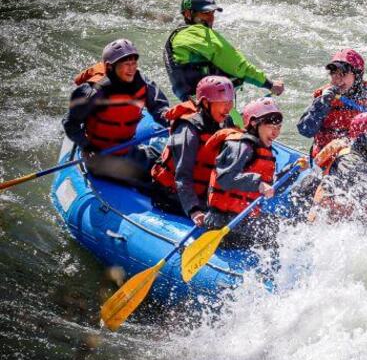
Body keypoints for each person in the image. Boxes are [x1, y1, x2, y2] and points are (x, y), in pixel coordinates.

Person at [63, 39, 169, 186]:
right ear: (110, 67)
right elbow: (70, 123)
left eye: (134, 64)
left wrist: (173, 121)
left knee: (169, 168)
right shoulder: (94, 91)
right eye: (126, 64)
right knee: (153, 182)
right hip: (101, 157)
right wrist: (86, 146)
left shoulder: (142, 83)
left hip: (128, 149)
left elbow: (160, 108)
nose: (131, 69)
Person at [163, 0, 285, 102]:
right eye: (205, 13)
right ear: (188, 14)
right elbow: (237, 66)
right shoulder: (198, 33)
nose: (211, 18)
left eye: (212, 13)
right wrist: (269, 84)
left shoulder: (177, 36)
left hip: (194, 103)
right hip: (213, 104)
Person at [150, 75, 237, 224]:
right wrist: (194, 209)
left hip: (202, 192)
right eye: (223, 102)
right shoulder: (188, 130)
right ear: (205, 102)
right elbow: (182, 176)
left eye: (230, 101)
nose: (228, 108)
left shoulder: (225, 122)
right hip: (171, 194)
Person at [204, 97, 286, 247]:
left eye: (278, 127)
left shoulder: (262, 149)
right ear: (254, 123)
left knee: (285, 226)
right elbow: (225, 178)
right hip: (222, 223)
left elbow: (270, 185)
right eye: (271, 126)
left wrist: (293, 170)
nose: (275, 133)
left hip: (241, 219)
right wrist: (258, 184)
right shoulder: (242, 146)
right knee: (279, 233)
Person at [297, 48, 367, 158]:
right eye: (334, 74)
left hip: (362, 153)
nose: (337, 79)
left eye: (343, 74)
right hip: (329, 158)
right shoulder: (324, 98)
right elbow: (305, 131)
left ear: (357, 76)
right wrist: (322, 103)